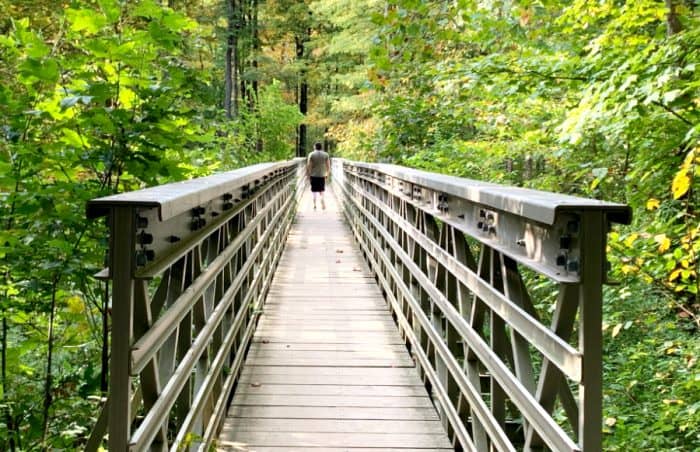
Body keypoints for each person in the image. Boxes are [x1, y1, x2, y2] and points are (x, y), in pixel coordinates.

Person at [306, 142, 331, 210]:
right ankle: (322, 199)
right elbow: (328, 166)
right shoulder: (326, 155)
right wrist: (327, 174)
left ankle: (314, 204)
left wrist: (308, 174)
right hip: (322, 175)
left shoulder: (311, 154)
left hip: (313, 175)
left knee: (314, 190)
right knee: (321, 190)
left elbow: (309, 166)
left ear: (315, 147)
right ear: (321, 147)